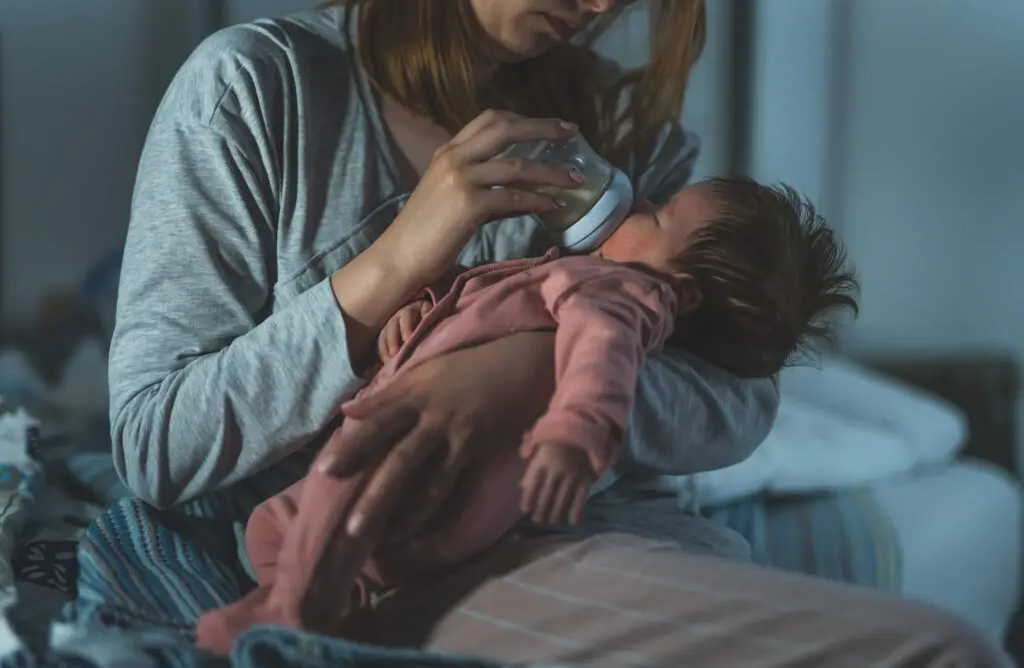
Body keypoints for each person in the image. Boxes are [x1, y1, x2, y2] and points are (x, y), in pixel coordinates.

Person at [107, 0, 1011, 665]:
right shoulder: (257, 92)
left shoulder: (626, 132)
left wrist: (532, 365)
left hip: (620, 529)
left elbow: (742, 397)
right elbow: (155, 445)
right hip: (407, 559)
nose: (604, 1)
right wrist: (390, 268)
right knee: (940, 651)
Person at [193, 175, 860, 654]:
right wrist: (416, 320)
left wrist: (576, 431)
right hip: (417, 459)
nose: (636, 200)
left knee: (339, 486)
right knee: (272, 530)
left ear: (679, 292)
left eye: (655, 213)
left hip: (446, 473)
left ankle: (296, 622)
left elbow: (601, 357)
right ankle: (344, 618)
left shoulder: (625, 294)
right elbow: (479, 312)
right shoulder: (588, 275)